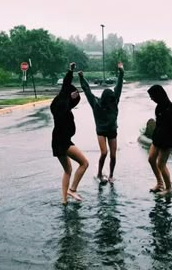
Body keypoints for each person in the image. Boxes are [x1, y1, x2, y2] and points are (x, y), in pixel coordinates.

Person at [78, 63, 124, 183]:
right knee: (104, 152)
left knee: (113, 156)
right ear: (105, 100)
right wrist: (82, 78)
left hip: (112, 130)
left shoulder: (114, 101)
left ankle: (111, 175)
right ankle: (99, 173)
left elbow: (118, 87)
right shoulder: (96, 104)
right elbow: (87, 91)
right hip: (101, 131)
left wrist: (121, 72)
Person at [50, 62, 89, 204]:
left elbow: (65, 87)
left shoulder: (56, 105)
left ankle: (64, 200)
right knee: (84, 163)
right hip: (63, 142)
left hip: (56, 141)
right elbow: (66, 87)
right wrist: (73, 95)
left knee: (67, 170)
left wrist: (70, 71)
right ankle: (72, 190)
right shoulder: (65, 109)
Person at [147, 84, 172, 195]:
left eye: (152, 96)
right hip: (158, 139)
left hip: (167, 140)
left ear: (158, 95)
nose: (151, 98)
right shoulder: (158, 107)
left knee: (161, 164)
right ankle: (159, 184)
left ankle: (168, 189)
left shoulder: (170, 108)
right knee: (151, 159)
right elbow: (159, 124)